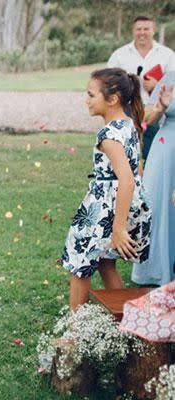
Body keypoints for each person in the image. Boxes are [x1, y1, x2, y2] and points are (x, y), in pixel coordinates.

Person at [61, 68, 152, 311]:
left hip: (105, 208)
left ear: (113, 99)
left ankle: (74, 335)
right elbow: (137, 170)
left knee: (79, 265)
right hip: (120, 203)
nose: (86, 100)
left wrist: (119, 227)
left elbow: (127, 179)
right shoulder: (129, 125)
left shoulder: (108, 135)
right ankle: (130, 322)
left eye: (91, 95)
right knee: (104, 263)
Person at [107, 16, 175, 160]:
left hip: (157, 111)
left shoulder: (167, 55)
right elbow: (108, 82)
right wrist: (128, 84)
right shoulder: (120, 55)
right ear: (133, 31)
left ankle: (150, 170)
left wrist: (157, 85)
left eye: (146, 29)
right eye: (139, 29)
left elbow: (173, 84)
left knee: (153, 151)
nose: (142, 32)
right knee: (126, 152)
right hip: (127, 109)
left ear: (153, 31)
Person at [132, 73, 175, 286]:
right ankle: (157, 272)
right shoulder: (170, 78)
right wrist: (160, 108)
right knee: (156, 207)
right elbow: (146, 118)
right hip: (167, 150)